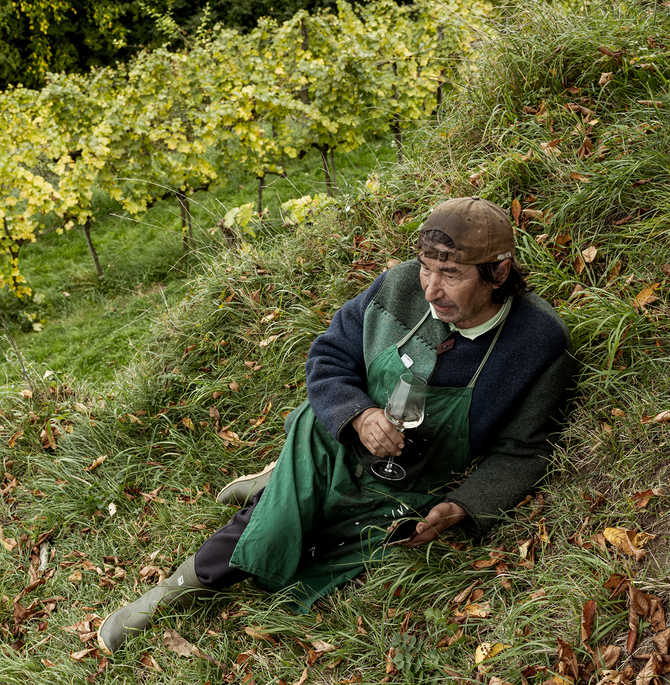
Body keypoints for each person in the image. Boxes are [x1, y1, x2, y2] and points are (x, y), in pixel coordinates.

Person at [98, 196, 577, 655]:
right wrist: (358, 414)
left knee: (337, 543)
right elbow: (329, 356)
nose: (430, 290)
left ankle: (282, 474)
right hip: (337, 433)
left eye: (450, 275)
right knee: (285, 511)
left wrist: (463, 505)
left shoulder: (538, 343)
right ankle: (179, 586)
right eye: (426, 269)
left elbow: (523, 450)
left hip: (412, 477)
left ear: (499, 271)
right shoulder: (398, 287)